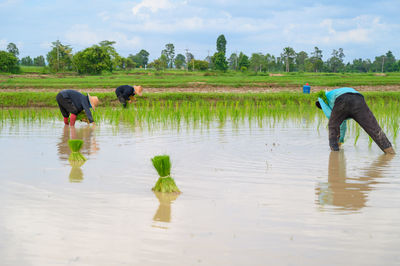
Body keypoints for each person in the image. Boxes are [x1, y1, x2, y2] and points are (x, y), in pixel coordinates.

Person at [316, 87, 395, 154]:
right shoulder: (332, 96)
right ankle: (389, 151)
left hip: (343, 98)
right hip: (358, 98)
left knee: (332, 125)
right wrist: (340, 141)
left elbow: (331, 118)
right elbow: (342, 124)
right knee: (373, 127)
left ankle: (334, 153)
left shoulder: (322, 100)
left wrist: (338, 142)